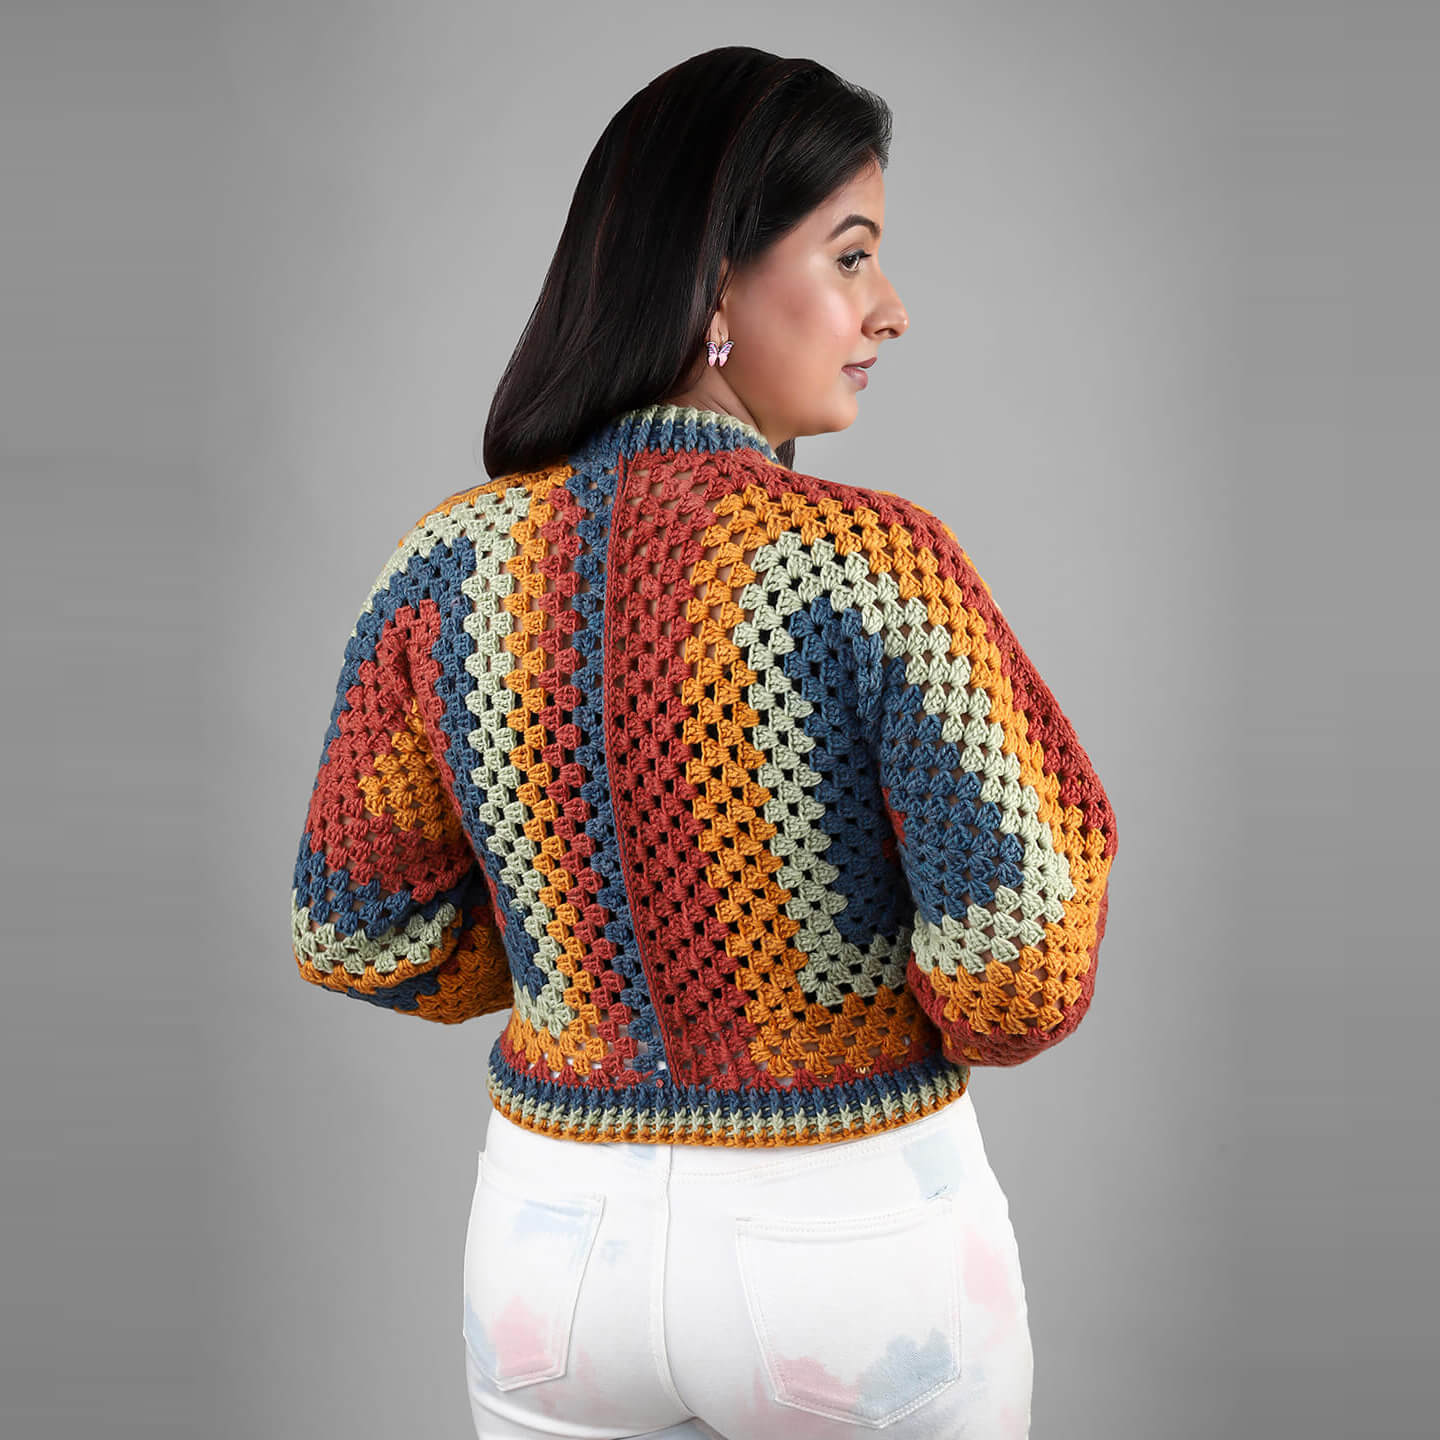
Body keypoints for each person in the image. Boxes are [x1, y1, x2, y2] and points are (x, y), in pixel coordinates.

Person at [289, 45, 1118, 1440]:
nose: (889, 308)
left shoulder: (447, 570)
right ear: (717, 281)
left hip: (553, 1251)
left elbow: (358, 930)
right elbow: (1019, 968)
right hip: (850, 1245)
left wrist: (579, 969)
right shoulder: (870, 569)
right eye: (850, 256)